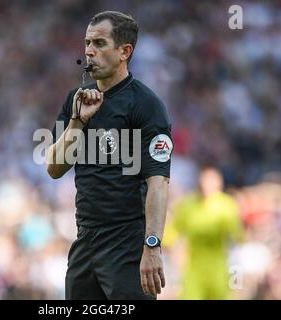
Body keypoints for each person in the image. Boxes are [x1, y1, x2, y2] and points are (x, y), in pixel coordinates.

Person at [46, 11, 173, 300]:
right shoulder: (76, 99)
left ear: (124, 51)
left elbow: (159, 182)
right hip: (85, 241)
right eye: (87, 42)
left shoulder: (146, 104)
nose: (89, 50)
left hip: (126, 244)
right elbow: (54, 168)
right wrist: (78, 121)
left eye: (100, 43)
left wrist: (152, 246)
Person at [164, 167, 244, 299]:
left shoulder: (227, 205)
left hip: (219, 268)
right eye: (205, 181)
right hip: (193, 269)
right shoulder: (187, 205)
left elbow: (237, 241)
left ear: (220, 184)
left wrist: (236, 277)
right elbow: (172, 235)